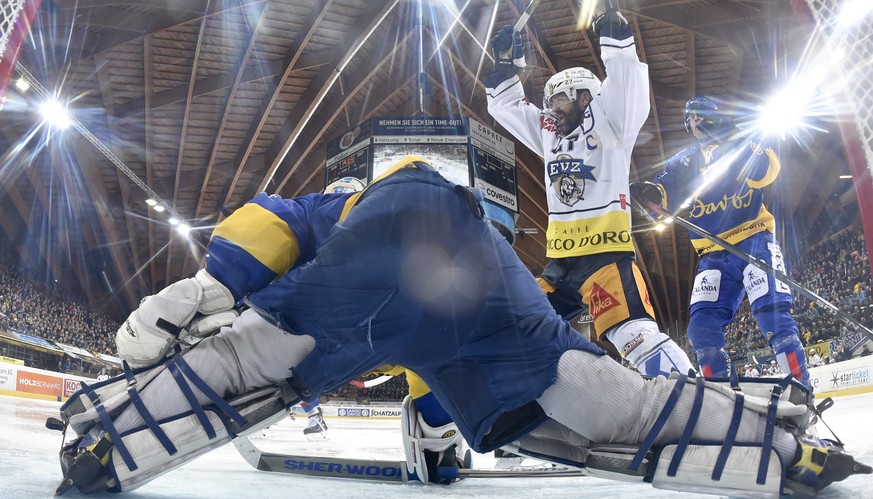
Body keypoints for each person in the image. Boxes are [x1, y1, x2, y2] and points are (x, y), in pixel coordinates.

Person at [54, 156, 867, 496]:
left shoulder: (346, 203)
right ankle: (788, 444)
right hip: (479, 269)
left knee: (250, 360)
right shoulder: (439, 248)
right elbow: (436, 381)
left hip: (400, 234)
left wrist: (212, 278)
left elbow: (273, 216)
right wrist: (446, 442)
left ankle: (105, 444)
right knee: (599, 397)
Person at [484, 9, 693, 377]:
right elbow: (507, 108)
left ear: (584, 97)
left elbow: (626, 79)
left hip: (604, 258)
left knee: (634, 335)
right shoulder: (550, 133)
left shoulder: (613, 119)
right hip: (560, 265)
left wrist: (612, 31)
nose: (550, 110)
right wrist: (505, 64)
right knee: (518, 328)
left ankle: (697, 401)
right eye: (548, 103)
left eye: (558, 100)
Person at [630, 96, 812, 389]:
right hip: (713, 254)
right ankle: (722, 398)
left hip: (754, 239)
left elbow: (767, 172)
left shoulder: (742, 142)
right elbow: (664, 194)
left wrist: (733, 141)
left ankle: (802, 390)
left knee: (772, 315)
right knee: (701, 328)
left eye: (699, 115)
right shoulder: (684, 160)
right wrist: (648, 197)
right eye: (689, 118)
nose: (694, 122)